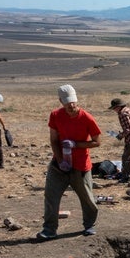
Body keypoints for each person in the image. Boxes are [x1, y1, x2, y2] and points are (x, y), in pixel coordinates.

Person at [37, 84, 102, 239]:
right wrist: (60, 160)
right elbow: (53, 140)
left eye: (73, 102)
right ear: (61, 101)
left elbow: (97, 141)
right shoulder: (55, 115)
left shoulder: (86, 118)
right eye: (67, 103)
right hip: (59, 165)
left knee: (87, 198)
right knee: (51, 196)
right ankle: (49, 230)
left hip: (80, 166)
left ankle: (89, 225)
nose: (71, 105)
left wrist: (76, 144)